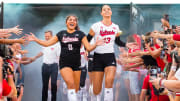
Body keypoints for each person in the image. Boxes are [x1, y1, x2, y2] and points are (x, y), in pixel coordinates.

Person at [26, 15, 103, 101]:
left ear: (76, 23)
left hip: (77, 64)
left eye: (74, 20)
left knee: (76, 89)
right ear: (66, 22)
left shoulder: (81, 34)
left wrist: (95, 44)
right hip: (64, 63)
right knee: (70, 84)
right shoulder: (61, 33)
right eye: (70, 20)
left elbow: (88, 48)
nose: (72, 21)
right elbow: (47, 44)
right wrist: (36, 39)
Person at [87, 5, 126, 101]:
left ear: (111, 12)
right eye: (104, 10)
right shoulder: (95, 26)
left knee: (109, 82)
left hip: (110, 56)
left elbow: (118, 41)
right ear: (101, 13)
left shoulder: (116, 27)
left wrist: (126, 44)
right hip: (97, 57)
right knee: (96, 90)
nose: (107, 11)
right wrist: (87, 49)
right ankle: (93, 92)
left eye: (109, 9)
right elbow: (86, 40)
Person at [32, 30, 60, 101]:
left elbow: (59, 56)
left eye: (48, 36)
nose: (46, 38)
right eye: (45, 36)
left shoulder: (57, 44)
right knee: (45, 85)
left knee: (53, 84)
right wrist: (35, 57)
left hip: (54, 66)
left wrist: (60, 67)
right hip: (45, 66)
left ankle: (53, 99)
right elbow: (42, 52)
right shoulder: (44, 44)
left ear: (52, 36)